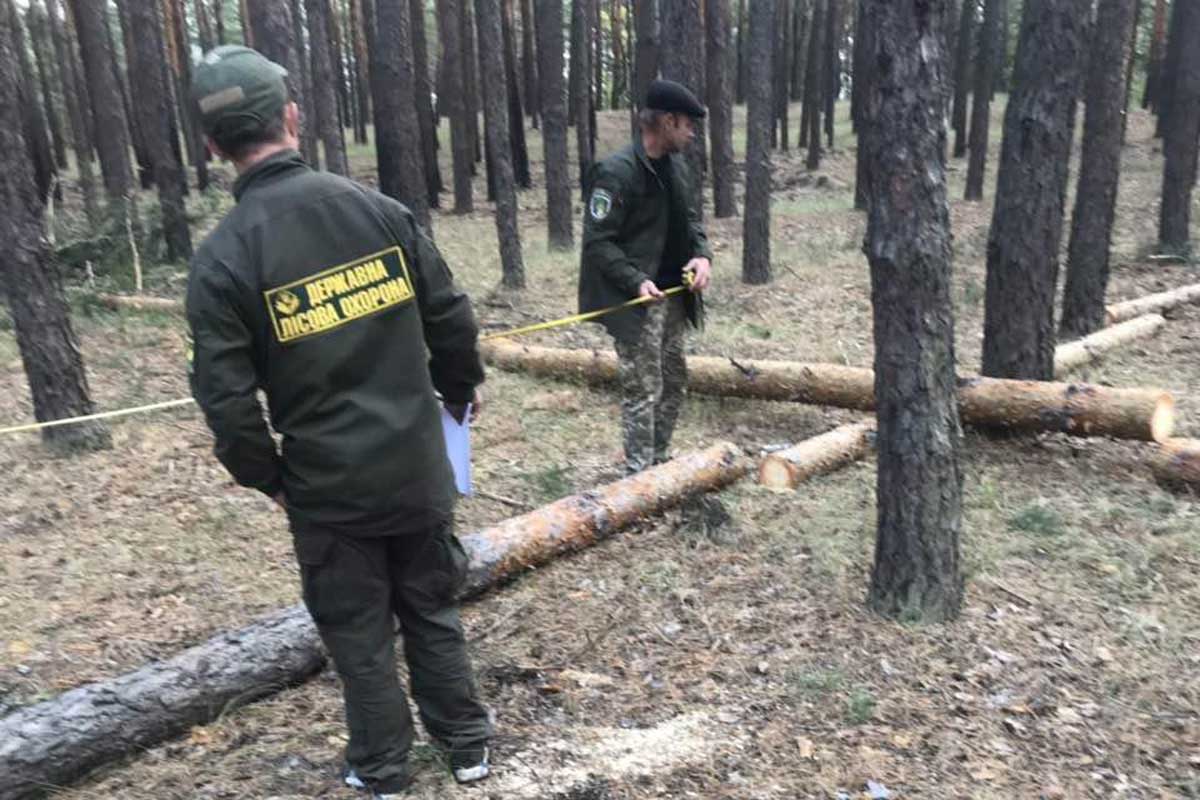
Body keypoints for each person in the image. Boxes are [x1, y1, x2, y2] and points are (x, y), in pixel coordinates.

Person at [185, 45, 491, 799]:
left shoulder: (223, 259)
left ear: (213, 146)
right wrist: (457, 393)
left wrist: (271, 480)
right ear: (292, 116)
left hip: (329, 488)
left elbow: (226, 404)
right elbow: (448, 316)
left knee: (359, 635)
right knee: (430, 607)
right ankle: (468, 747)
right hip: (417, 464)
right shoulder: (377, 211)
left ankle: (384, 771)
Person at [579, 79, 713, 475]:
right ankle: (639, 477)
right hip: (638, 300)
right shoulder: (616, 173)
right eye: (688, 124)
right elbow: (598, 241)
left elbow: (692, 223)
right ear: (667, 121)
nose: (692, 133)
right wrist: (635, 280)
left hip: (676, 294)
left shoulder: (679, 168)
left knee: (674, 382)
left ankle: (658, 460)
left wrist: (702, 257)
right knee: (643, 388)